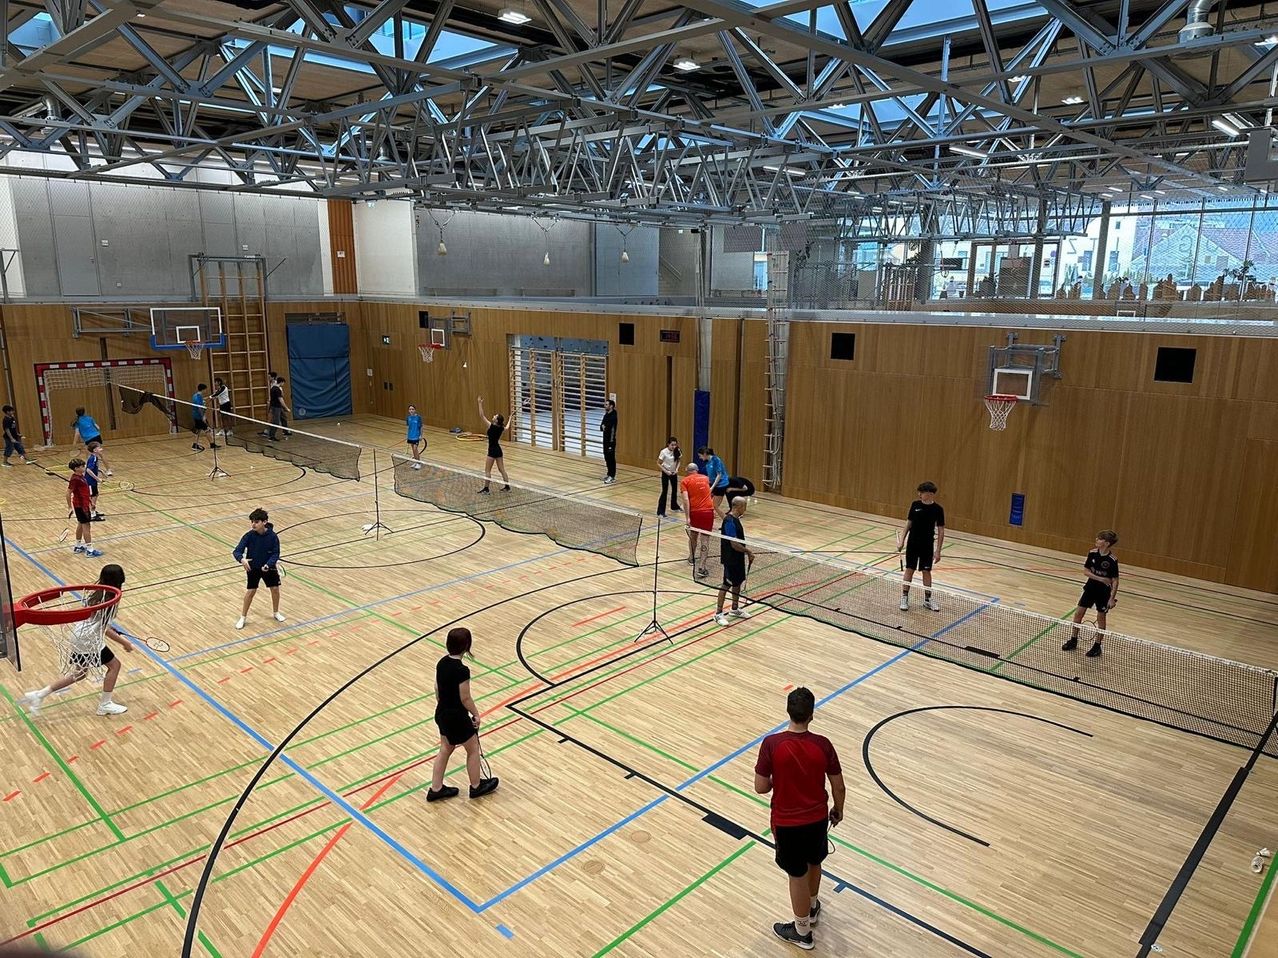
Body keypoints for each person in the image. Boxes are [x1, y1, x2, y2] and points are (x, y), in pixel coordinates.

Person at [754, 687, 845, 951]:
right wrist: (838, 810)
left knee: (797, 875)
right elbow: (839, 786)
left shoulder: (772, 744)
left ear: (788, 711)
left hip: (787, 824)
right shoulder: (823, 744)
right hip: (817, 820)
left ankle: (802, 931)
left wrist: (779, 779)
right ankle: (812, 907)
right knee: (814, 861)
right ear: (811, 714)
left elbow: (761, 787)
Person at [21, 564, 133, 717]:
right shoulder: (110, 599)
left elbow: (97, 621)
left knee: (80, 674)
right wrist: (125, 643)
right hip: (88, 639)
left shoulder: (96, 594)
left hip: (79, 635)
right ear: (120, 579)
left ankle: (39, 695)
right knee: (114, 666)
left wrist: (109, 627)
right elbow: (104, 629)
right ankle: (105, 705)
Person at [426, 627, 499, 802]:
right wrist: (476, 714)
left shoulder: (442, 663)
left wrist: (444, 705)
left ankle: (436, 788)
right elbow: (465, 697)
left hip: (442, 713)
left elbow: (436, 688)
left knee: (446, 748)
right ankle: (476, 786)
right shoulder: (461, 670)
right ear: (466, 646)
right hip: (457, 717)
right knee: (472, 749)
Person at [1062, 530, 1120, 658]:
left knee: (1101, 619)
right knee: (1078, 614)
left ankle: (1097, 646)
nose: (1096, 539)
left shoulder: (1112, 560)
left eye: (1099, 538)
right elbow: (1086, 571)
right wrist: (1101, 579)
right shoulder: (1092, 553)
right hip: (1090, 589)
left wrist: (1111, 599)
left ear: (1106, 543)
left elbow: (1115, 581)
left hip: (1103, 593)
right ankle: (1073, 640)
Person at [232, 507, 285, 630]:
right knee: (251, 592)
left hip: (268, 567)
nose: (253, 524)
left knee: (275, 589)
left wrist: (268, 564)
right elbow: (237, 551)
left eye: (256, 522)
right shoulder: (248, 536)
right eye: (252, 522)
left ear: (264, 522)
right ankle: (243, 617)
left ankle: (276, 613)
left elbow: (275, 553)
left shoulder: (273, 537)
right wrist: (242, 559)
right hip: (253, 568)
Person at [897, 481, 944, 612]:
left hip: (927, 545)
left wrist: (938, 551)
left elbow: (941, 531)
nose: (919, 494)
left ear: (930, 494)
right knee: (909, 569)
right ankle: (904, 598)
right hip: (913, 543)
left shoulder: (938, 509)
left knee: (926, 571)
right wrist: (901, 541)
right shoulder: (915, 505)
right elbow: (908, 524)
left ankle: (927, 600)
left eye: (921, 492)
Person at [714, 498, 755, 626]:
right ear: (739, 506)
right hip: (730, 559)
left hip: (738, 558)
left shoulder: (735, 519)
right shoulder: (729, 521)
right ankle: (718, 614)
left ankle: (734, 608)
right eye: (744, 506)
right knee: (726, 584)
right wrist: (748, 551)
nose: (745, 509)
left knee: (737, 582)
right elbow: (734, 544)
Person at [679, 462, 715, 576]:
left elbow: (685, 500)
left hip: (695, 513)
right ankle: (702, 567)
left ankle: (691, 558)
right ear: (697, 470)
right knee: (705, 540)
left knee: (693, 536)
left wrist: (687, 518)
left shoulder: (685, 481)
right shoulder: (706, 478)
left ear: (687, 470)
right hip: (708, 512)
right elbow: (710, 492)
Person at [66, 458, 102, 557]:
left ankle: (77, 546)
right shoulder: (75, 479)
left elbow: (84, 492)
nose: (84, 467)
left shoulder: (81, 476)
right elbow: (68, 493)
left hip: (84, 504)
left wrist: (91, 502)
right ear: (76, 468)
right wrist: (69, 507)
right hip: (81, 506)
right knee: (86, 526)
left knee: (81, 524)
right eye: (82, 466)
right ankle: (90, 550)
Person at [476, 396, 512, 494]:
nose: (494, 416)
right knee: (502, 470)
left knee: (487, 470)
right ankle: (507, 487)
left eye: (495, 416)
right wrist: (510, 418)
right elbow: (507, 427)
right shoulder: (501, 428)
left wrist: (479, 403)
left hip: (492, 450)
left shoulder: (491, 426)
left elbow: (481, 415)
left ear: (496, 420)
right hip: (498, 450)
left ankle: (486, 489)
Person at [71, 407, 111, 476]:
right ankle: (109, 470)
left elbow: (77, 433)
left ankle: (89, 471)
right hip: (97, 436)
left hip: (88, 439)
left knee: (88, 456)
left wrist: (74, 443)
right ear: (84, 412)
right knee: (100, 454)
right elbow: (98, 427)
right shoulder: (90, 418)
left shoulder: (77, 421)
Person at [698, 446, 729, 513]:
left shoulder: (716, 460)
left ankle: (722, 516)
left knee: (715, 506)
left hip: (721, 485)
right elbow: (710, 475)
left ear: (705, 454)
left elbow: (719, 475)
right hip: (713, 483)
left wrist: (712, 487)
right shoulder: (707, 461)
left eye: (700, 456)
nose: (700, 458)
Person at [657, 437, 682, 516]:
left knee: (674, 490)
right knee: (664, 491)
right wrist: (666, 471)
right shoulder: (663, 452)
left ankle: (674, 506)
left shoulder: (677, 450)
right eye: (672, 445)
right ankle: (661, 511)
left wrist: (677, 469)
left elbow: (678, 461)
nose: (674, 446)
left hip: (673, 473)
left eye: (675, 445)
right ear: (668, 444)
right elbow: (658, 463)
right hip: (666, 472)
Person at [85, 442, 105, 522]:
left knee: (95, 494)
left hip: (92, 481)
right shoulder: (93, 458)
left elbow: (92, 468)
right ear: (95, 450)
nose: (101, 449)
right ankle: (92, 514)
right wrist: (97, 479)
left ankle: (92, 511)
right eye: (99, 448)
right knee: (93, 497)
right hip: (90, 482)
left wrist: (101, 471)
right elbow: (88, 470)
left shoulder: (95, 457)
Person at [600, 399, 618, 484]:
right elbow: (602, 425)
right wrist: (602, 427)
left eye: (606, 405)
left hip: (611, 441)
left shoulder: (613, 417)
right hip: (605, 440)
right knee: (606, 457)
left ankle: (612, 476)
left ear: (611, 406)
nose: (605, 406)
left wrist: (611, 443)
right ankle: (609, 474)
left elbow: (612, 431)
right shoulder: (606, 415)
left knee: (611, 458)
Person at [191, 383, 213, 451]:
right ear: (203, 389)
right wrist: (203, 416)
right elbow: (199, 408)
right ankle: (212, 444)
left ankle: (195, 445)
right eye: (205, 389)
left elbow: (202, 403)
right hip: (199, 417)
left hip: (195, 416)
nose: (206, 391)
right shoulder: (198, 397)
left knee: (198, 430)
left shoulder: (195, 395)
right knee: (207, 429)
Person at [406, 404, 426, 469]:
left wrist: (421, 435)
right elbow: (408, 427)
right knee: (413, 449)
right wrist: (407, 435)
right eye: (410, 409)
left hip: (416, 436)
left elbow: (421, 427)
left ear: (415, 410)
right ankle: (415, 461)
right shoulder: (408, 418)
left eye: (412, 409)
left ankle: (418, 463)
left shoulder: (418, 417)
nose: (411, 410)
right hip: (410, 436)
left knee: (415, 449)